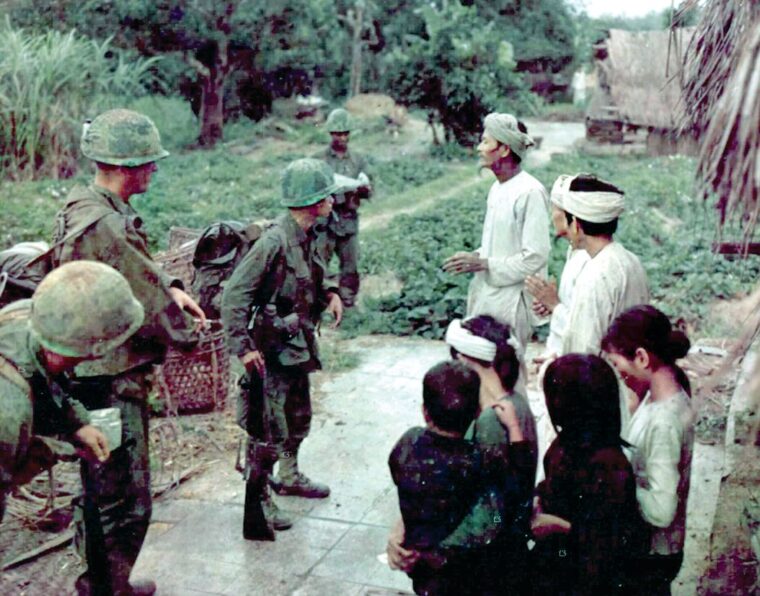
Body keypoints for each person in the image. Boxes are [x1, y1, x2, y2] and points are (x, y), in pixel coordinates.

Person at [51, 108, 203, 596]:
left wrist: (173, 284)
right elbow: (151, 302)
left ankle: (98, 580)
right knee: (126, 498)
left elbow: (140, 272)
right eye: (147, 163)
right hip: (112, 376)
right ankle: (108, 587)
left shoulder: (84, 205)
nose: (154, 170)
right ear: (122, 167)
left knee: (99, 489)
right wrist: (190, 334)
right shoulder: (108, 226)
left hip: (87, 369)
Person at [222, 158, 344, 533]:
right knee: (267, 429)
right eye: (327, 196)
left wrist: (331, 292)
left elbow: (313, 277)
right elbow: (234, 296)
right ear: (313, 202)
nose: (333, 202)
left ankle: (288, 476)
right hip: (267, 354)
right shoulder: (274, 241)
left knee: (297, 417)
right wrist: (243, 348)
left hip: (295, 347)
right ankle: (259, 498)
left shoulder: (308, 235)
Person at [389, 316, 538, 595]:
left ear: (465, 359)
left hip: (477, 567)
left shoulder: (490, 423)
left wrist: (432, 552)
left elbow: (493, 512)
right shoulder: (509, 408)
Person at [0, 261, 143, 524]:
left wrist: (76, 423)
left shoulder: (27, 318)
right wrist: (57, 448)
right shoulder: (8, 413)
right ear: (95, 351)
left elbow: (40, 376)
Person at [531, 354, 647, 595]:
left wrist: (559, 527)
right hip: (559, 561)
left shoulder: (609, 465)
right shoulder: (567, 441)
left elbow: (610, 544)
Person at [602, 305, 695, 595]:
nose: (620, 375)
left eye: (618, 366)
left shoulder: (663, 421)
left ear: (641, 357)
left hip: (653, 553)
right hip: (656, 550)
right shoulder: (664, 394)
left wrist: (616, 482)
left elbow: (661, 510)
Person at [443, 113, 550, 353]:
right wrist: (473, 258)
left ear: (503, 150)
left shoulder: (530, 192)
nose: (479, 148)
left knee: (507, 371)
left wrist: (485, 263)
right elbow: (499, 245)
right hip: (487, 294)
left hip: (511, 301)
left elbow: (535, 257)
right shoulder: (497, 187)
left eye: (486, 142)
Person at [388, 360, 481, 596]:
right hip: (464, 572)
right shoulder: (478, 461)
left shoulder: (408, 443)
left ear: (424, 411)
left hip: (421, 567)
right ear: (478, 411)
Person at [556, 174, 649, 356]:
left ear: (574, 224)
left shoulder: (594, 275)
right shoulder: (630, 260)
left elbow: (583, 352)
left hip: (603, 380)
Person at [525, 174, 591, 361]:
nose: (551, 215)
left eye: (553, 208)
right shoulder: (575, 248)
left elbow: (588, 327)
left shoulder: (591, 258)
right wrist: (552, 302)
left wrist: (554, 304)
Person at [320, 108, 372, 307]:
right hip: (324, 221)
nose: (341, 137)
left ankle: (347, 302)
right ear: (330, 133)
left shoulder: (358, 160)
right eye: (336, 133)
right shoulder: (320, 159)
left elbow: (369, 188)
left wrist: (363, 187)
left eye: (344, 133)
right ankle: (319, 303)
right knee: (318, 265)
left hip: (348, 218)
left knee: (350, 266)